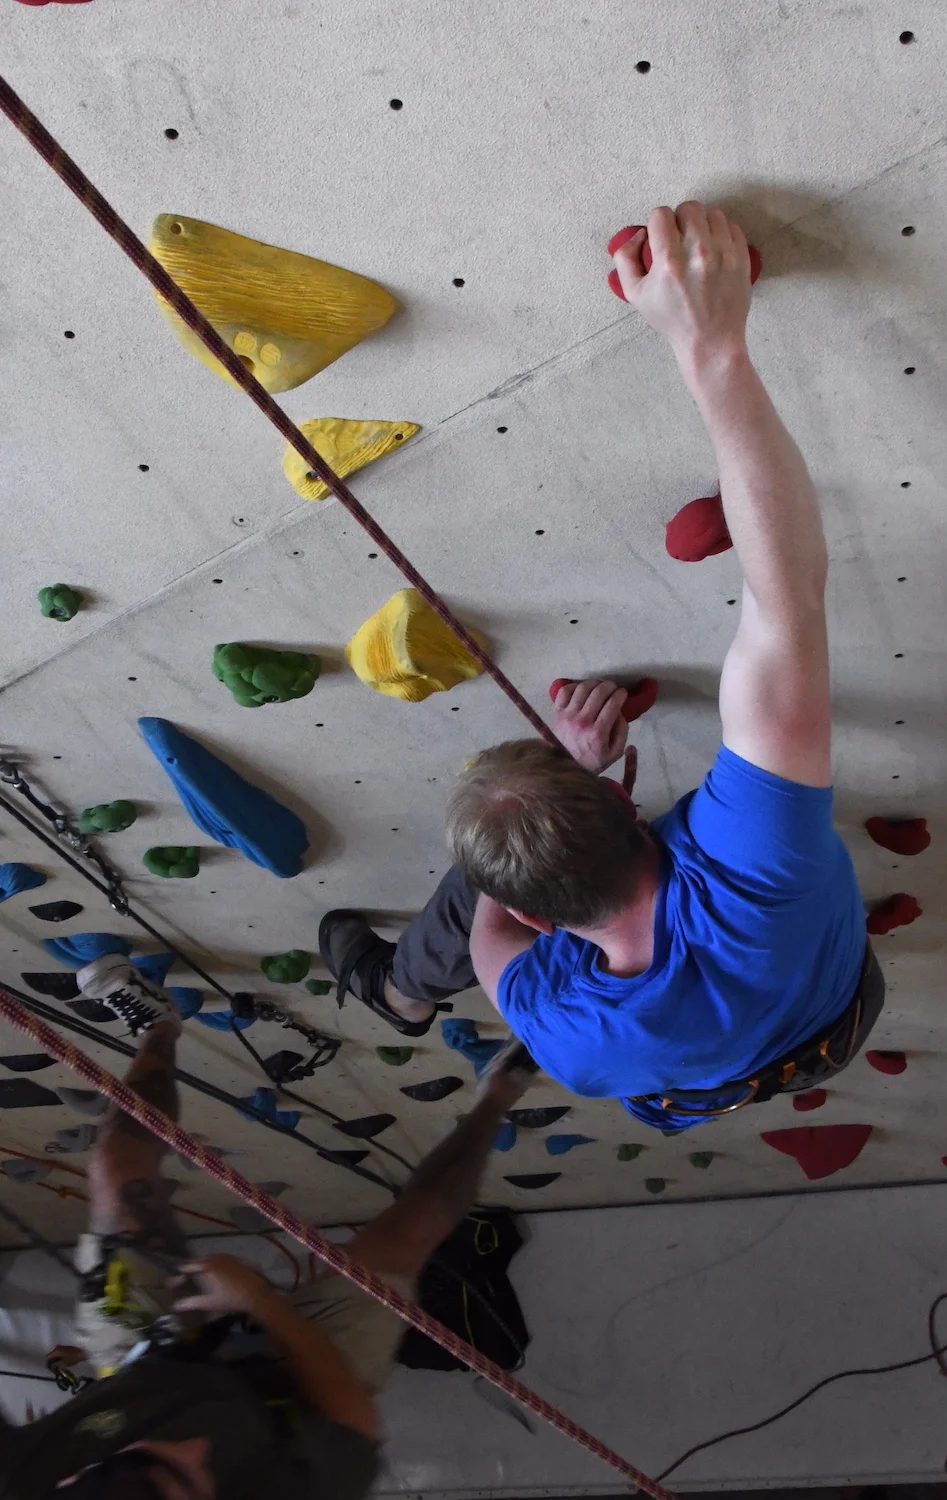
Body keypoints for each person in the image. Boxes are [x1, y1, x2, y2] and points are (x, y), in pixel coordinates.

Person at [319, 201, 884, 1132]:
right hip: (796, 989)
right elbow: (788, 598)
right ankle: (403, 990)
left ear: (546, 925)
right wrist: (711, 345)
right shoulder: (754, 865)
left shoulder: (562, 1027)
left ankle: (402, 997)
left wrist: (548, 805)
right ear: (622, 800)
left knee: (483, 875)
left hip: (828, 1019)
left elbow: (492, 915)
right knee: (484, 866)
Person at [0, 957, 534, 1500]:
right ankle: (499, 1094)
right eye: (192, 1479)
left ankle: (158, 1027)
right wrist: (259, 1300)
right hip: (295, 1396)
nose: (192, 1447)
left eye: (157, 1461)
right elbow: (352, 1419)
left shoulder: (19, 1478)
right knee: (402, 1243)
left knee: (117, 1173)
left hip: (144, 1374)